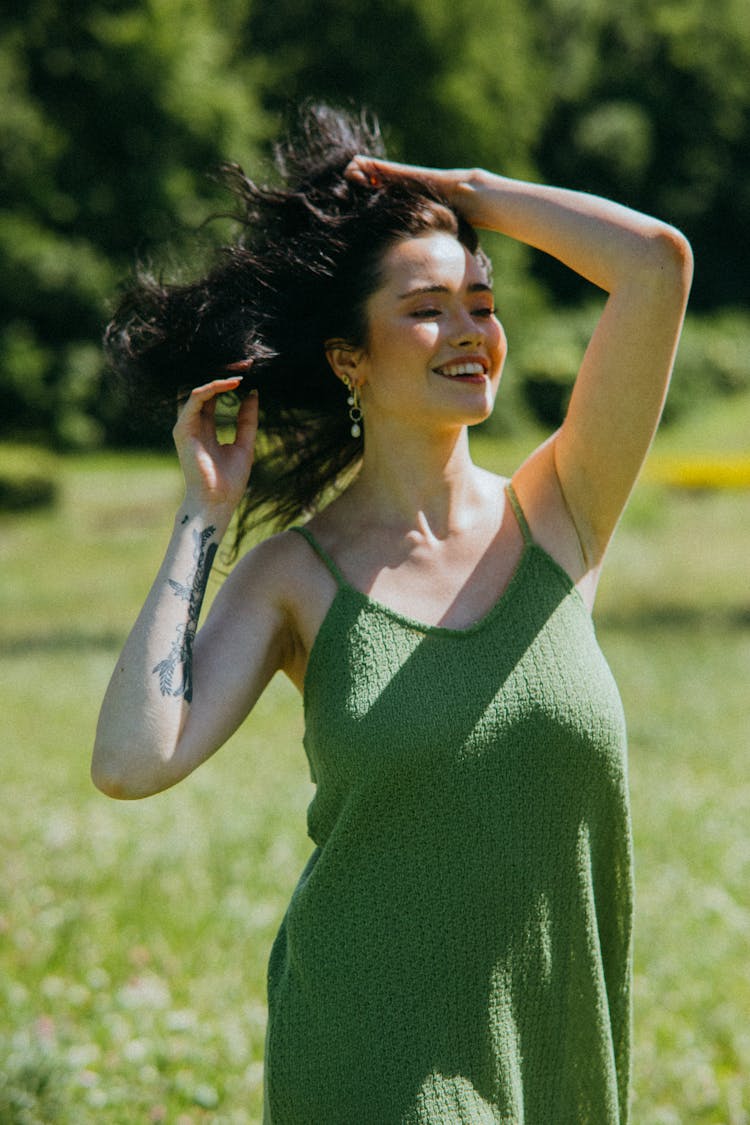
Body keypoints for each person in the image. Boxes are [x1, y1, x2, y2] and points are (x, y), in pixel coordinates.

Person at [92, 104, 692, 1123]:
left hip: (559, 1064)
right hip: (370, 1062)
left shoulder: (562, 514)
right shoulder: (298, 576)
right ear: (348, 360)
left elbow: (655, 266)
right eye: (427, 308)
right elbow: (133, 761)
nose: (469, 332)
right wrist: (204, 516)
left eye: (481, 303)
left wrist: (466, 193)